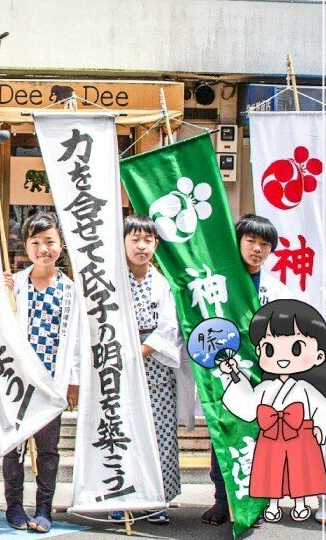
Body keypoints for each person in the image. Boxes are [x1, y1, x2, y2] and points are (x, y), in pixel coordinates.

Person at [203, 213, 294, 526]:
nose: (257, 248)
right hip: (226, 377)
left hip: (264, 379)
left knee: (260, 443)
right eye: (251, 240)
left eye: (264, 244)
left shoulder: (277, 289)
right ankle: (221, 500)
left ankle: (254, 505)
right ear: (238, 242)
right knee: (223, 437)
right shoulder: (218, 284)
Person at [0, 213, 82, 533]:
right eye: (35, 242)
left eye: (49, 241)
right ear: (26, 246)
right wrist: (0, 294)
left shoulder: (71, 290)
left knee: (48, 449)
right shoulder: (15, 284)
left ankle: (45, 507)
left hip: (52, 381)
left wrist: (73, 381)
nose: (43, 249)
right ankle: (14, 506)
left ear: (60, 245)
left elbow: (75, 339)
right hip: (18, 381)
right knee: (14, 446)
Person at [219, 299, 326, 523]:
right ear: (259, 350)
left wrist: (318, 426)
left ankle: (301, 503)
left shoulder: (304, 388)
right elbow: (246, 403)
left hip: (301, 434)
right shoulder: (266, 387)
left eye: (296, 348)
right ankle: (272, 504)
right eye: (270, 348)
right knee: (271, 470)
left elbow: (323, 406)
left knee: (299, 470)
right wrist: (233, 374)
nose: (282, 357)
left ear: (319, 355)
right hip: (271, 435)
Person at [123, 214, 185, 523]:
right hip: (120, 367)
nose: (141, 246)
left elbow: (169, 328)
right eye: (134, 239)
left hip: (155, 368)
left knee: (159, 433)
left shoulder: (162, 284)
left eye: (147, 240)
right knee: (125, 431)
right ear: (123, 242)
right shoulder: (113, 281)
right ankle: (125, 496)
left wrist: (140, 350)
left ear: (156, 244)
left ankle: (156, 499)